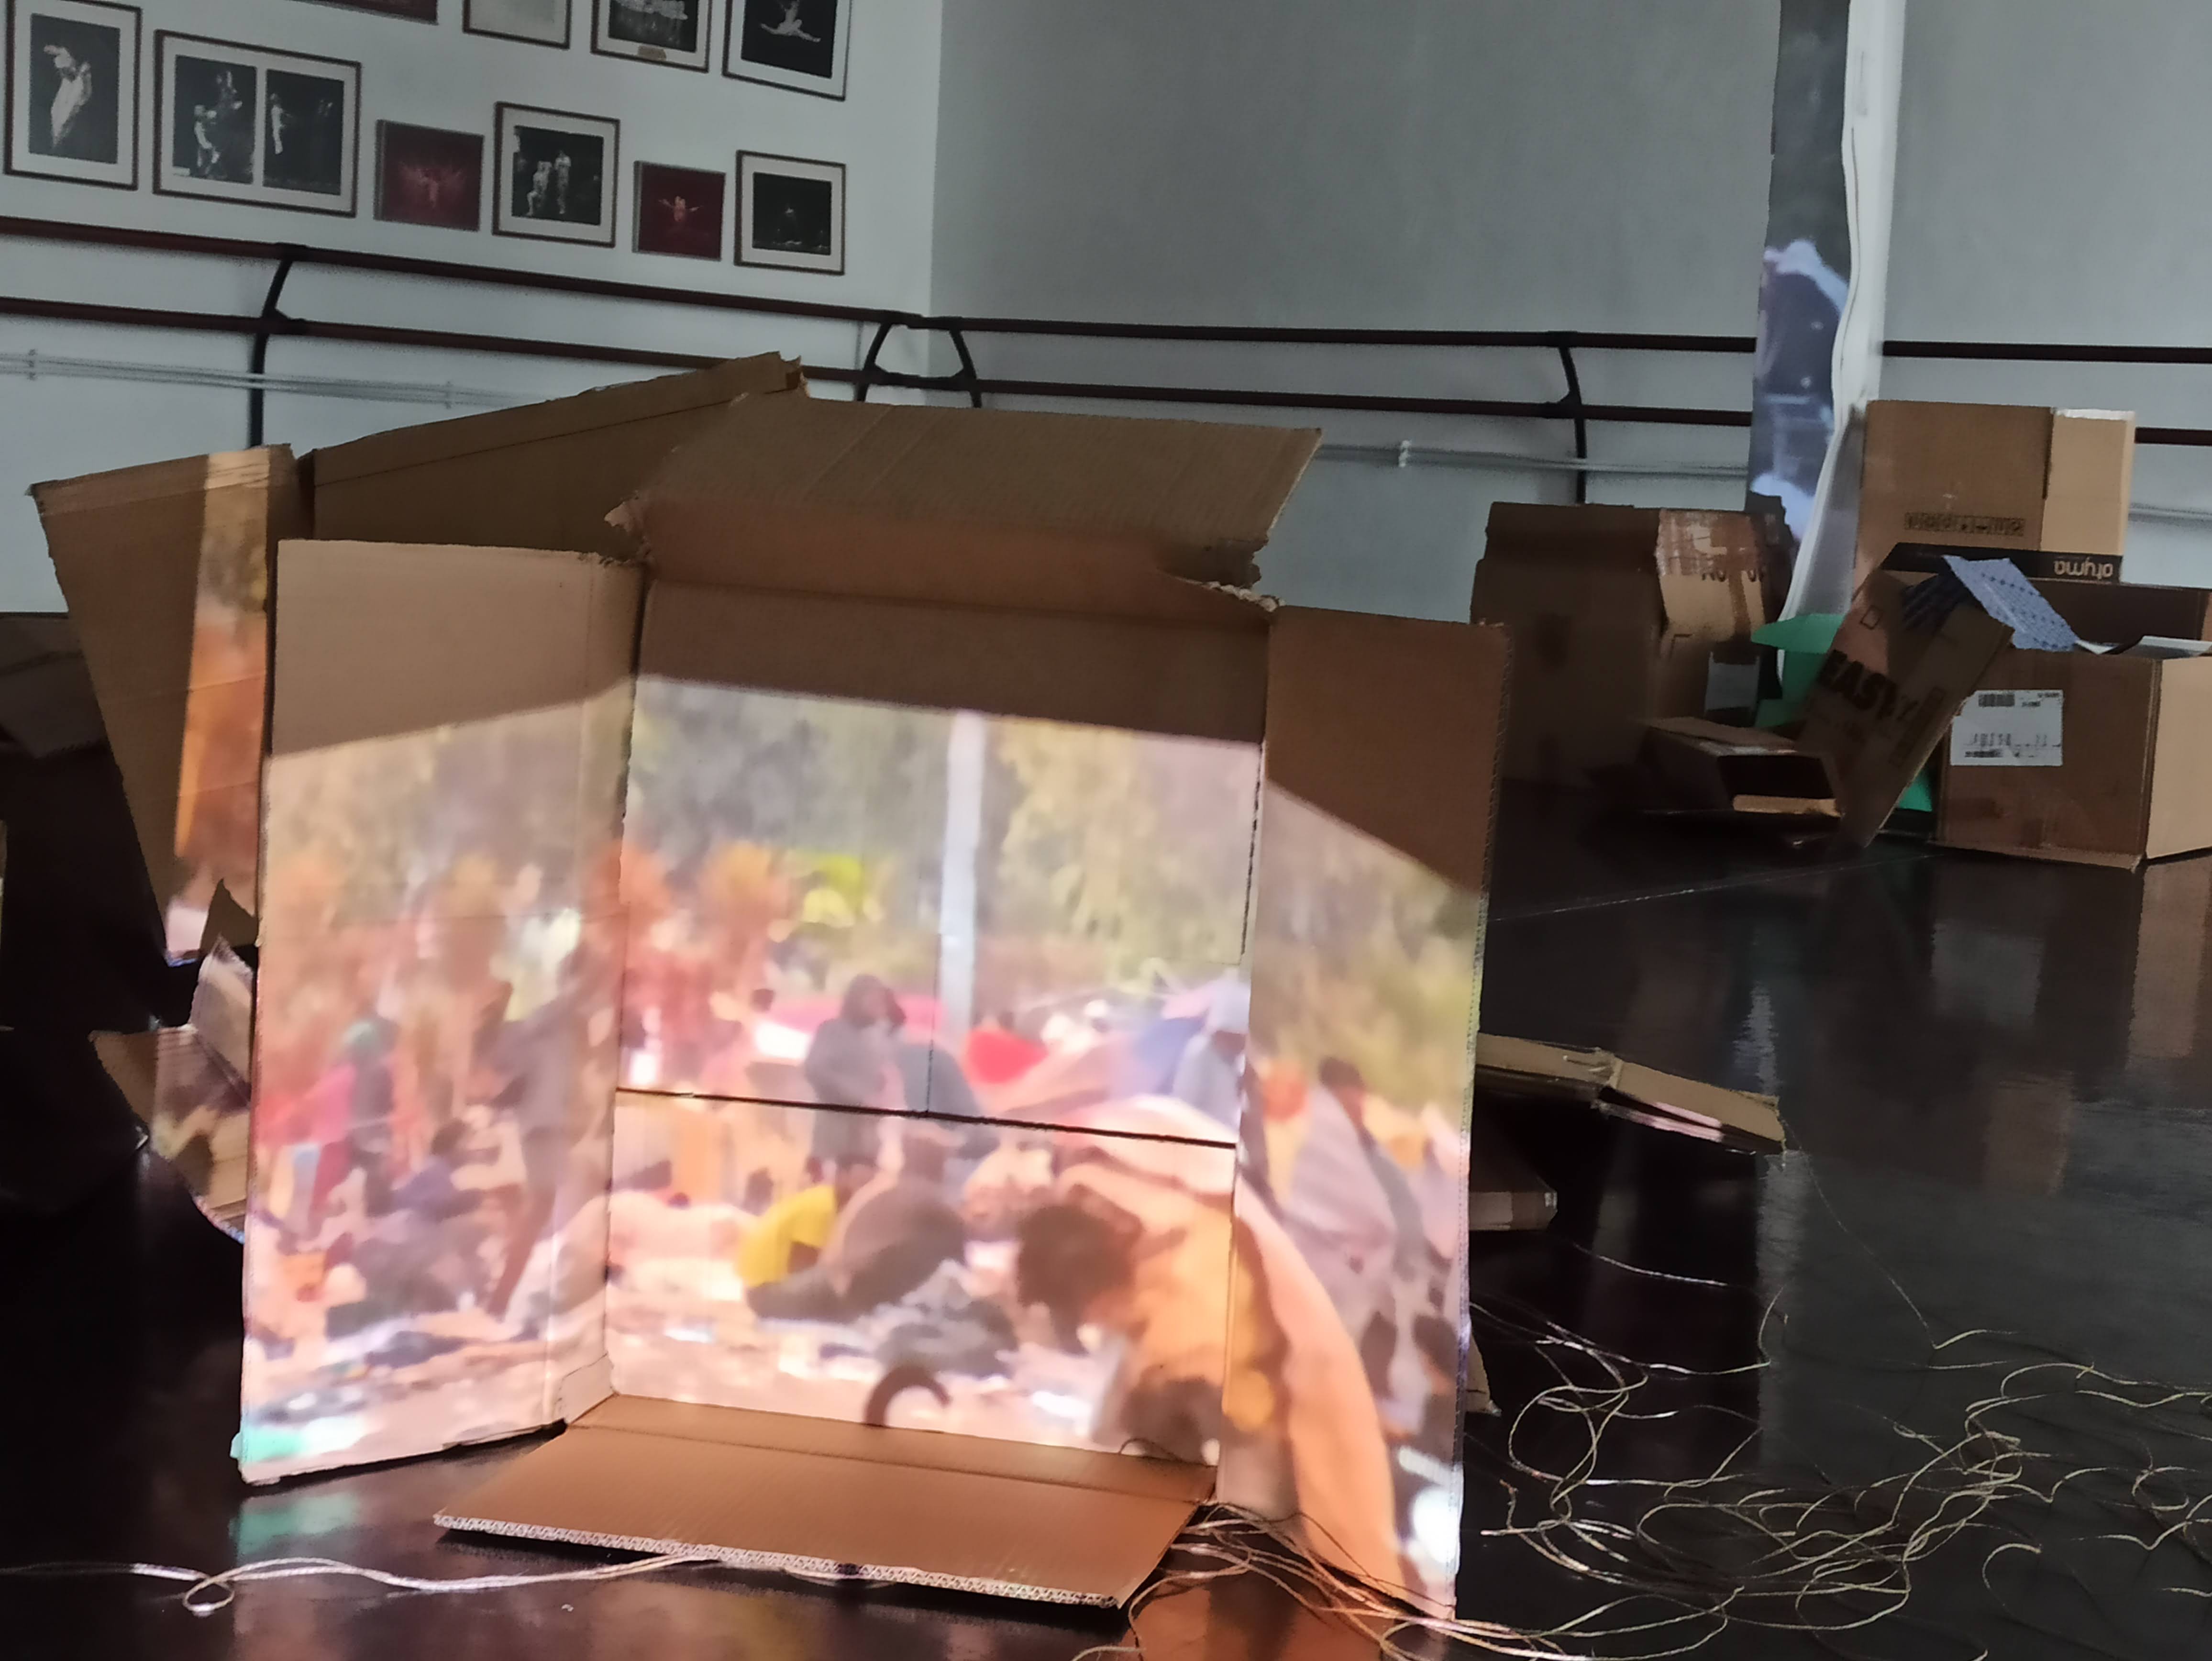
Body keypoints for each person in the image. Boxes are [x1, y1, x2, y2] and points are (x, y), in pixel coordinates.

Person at [1279, 1058, 1414, 1389]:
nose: (1361, 1105)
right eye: (1356, 1097)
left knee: (1376, 1333)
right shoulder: (1324, 1137)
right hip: (1328, 1265)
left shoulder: (1362, 1143)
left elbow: (1388, 1203)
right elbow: (1341, 1208)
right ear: (1341, 1093)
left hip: (1363, 1269)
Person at [739, 1157, 875, 1312]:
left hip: (759, 1287)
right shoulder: (823, 1208)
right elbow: (803, 1268)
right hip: (764, 1293)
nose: (863, 1192)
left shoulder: (825, 1199)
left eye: (869, 1186)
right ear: (841, 1178)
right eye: (858, 1183)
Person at [803, 974, 899, 1171]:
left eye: (881, 1001)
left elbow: (885, 1076)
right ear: (856, 1000)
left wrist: (887, 1091)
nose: (878, 1007)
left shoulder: (879, 1038)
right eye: (872, 1000)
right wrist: (859, 1099)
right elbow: (816, 1070)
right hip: (835, 1136)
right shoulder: (832, 1031)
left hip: (867, 1140)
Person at [1171, 981, 1249, 1129]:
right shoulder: (1200, 1054)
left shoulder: (1240, 1059)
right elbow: (1184, 1108)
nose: (1243, 1044)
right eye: (1238, 1037)